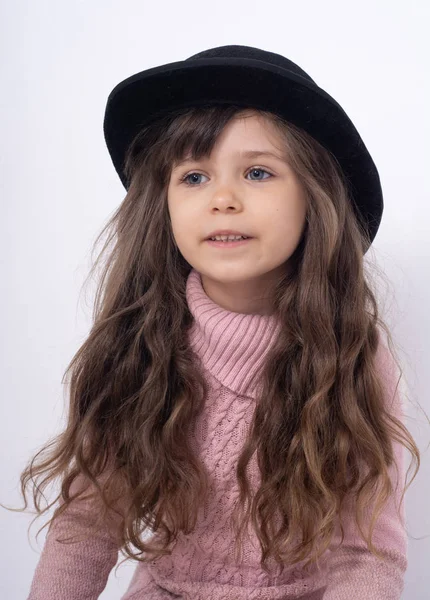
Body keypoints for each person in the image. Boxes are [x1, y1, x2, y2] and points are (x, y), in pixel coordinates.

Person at [9, 44, 422, 599]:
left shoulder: (354, 356)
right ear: (164, 205)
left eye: (256, 172)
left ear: (313, 199)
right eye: (194, 177)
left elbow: (364, 557)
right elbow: (85, 528)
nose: (223, 198)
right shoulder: (137, 345)